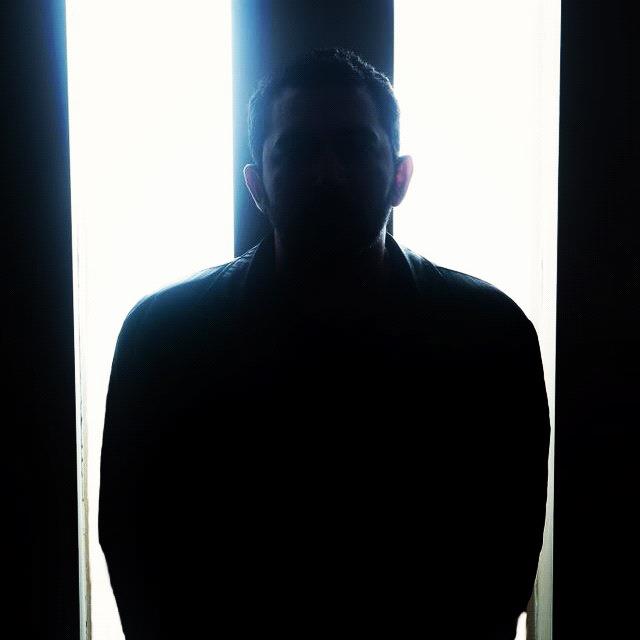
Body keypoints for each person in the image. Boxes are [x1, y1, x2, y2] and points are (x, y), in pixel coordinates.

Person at [99, 48, 550, 639]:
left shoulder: (494, 336)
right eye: (298, 149)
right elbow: (135, 546)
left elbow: (504, 557)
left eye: (354, 147)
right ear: (257, 185)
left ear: (401, 177)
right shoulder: (160, 336)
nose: (327, 173)